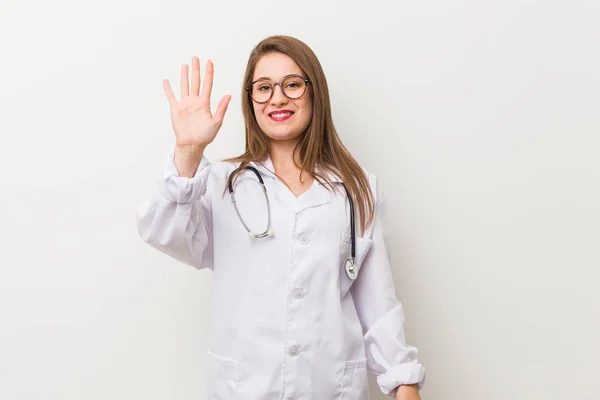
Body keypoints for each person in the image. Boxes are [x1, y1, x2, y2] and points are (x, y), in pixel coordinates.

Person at [136, 35, 426, 400]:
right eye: (263, 87)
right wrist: (188, 152)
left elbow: (377, 302)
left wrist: (403, 380)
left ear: (313, 91)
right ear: (250, 99)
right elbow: (163, 233)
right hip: (246, 388)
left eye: (292, 84)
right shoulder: (220, 185)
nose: (277, 98)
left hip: (329, 388)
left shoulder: (357, 189)